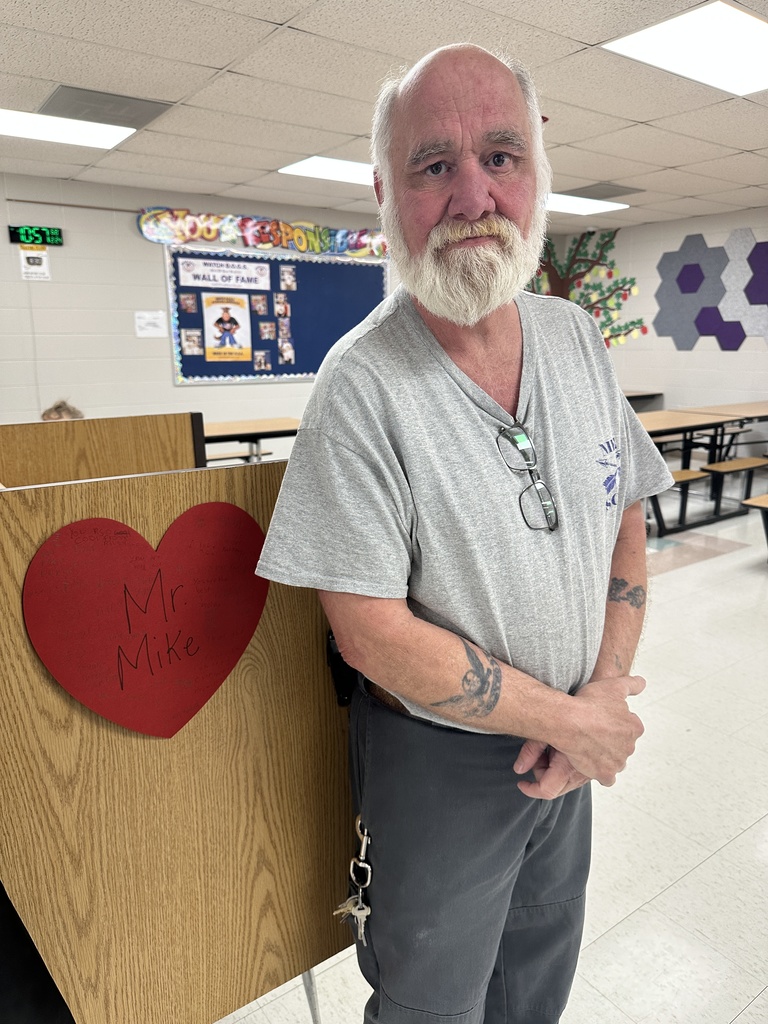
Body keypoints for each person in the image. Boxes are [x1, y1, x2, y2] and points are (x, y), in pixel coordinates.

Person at [256, 44, 673, 1024]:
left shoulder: (574, 340)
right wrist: (571, 721)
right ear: (386, 194)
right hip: (438, 763)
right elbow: (369, 631)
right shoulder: (360, 389)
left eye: (501, 155)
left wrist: (602, 692)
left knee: (535, 981)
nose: (473, 194)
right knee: (430, 1005)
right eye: (434, 165)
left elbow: (624, 525)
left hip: (568, 749)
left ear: (539, 171)